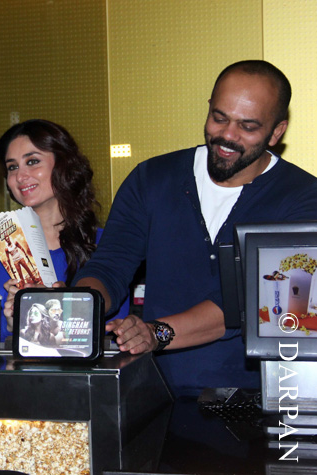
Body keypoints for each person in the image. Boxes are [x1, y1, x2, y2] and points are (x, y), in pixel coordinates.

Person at [71, 60, 317, 397]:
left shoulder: (303, 198)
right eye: (219, 117)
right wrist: (79, 306)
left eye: (247, 126)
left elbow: (246, 302)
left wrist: (156, 333)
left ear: (276, 132)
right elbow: (111, 263)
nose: (228, 135)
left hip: (256, 397)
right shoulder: (152, 179)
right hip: (157, 392)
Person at [0, 119, 130, 343]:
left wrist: (71, 308)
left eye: (33, 161)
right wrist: (12, 324)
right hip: (4, 365)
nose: (20, 176)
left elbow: (113, 329)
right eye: (12, 167)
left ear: (64, 165)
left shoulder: (104, 243)